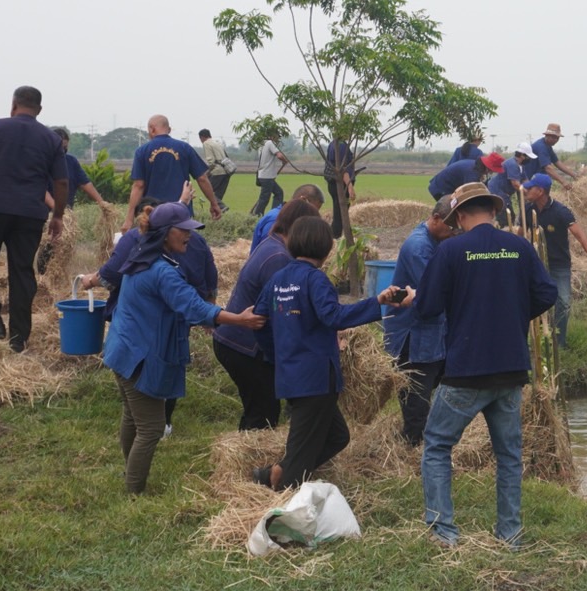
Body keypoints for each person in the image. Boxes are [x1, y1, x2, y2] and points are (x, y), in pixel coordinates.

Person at [409, 182, 557, 548]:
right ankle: (510, 533)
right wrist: (515, 314)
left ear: (459, 215)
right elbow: (547, 293)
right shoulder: (520, 247)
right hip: (510, 370)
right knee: (508, 455)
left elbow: (426, 307)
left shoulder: (451, 251)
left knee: (438, 444)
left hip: (466, 370)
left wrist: (423, 298)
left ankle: (443, 532)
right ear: (493, 211)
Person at [101, 203, 264, 493]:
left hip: (121, 347)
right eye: (184, 230)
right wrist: (238, 319)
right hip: (140, 354)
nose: (191, 235)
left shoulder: (141, 256)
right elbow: (192, 304)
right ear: (165, 233)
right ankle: (134, 490)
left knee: (133, 415)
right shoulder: (162, 271)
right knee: (151, 427)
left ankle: (130, 474)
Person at [251, 217, 410, 490]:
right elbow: (334, 316)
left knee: (337, 436)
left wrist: (277, 354)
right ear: (326, 249)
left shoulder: (278, 279)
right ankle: (284, 502)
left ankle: (276, 473)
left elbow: (259, 321)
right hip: (315, 378)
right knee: (301, 449)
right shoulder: (315, 279)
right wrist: (378, 302)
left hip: (290, 374)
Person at [0, 86, 69, 353]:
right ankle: (19, 337)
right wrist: (57, 216)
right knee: (21, 271)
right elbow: (62, 181)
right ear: (39, 110)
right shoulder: (50, 138)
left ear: (13, 105)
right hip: (30, 213)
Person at [213, 200, 321, 431]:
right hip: (244, 346)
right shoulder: (279, 258)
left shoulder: (271, 245)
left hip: (233, 340)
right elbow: (284, 310)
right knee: (263, 413)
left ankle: (243, 454)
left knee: (259, 407)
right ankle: (248, 461)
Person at [384, 196, 457, 445]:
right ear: (435, 219)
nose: (452, 233)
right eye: (450, 228)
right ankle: (412, 446)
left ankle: (422, 438)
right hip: (412, 333)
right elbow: (436, 292)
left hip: (431, 330)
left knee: (434, 384)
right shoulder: (419, 248)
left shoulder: (435, 240)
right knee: (417, 393)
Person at [522, 173, 587, 347]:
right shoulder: (528, 211)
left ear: (540, 191)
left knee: (564, 302)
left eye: (530, 188)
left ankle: (559, 341)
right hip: (537, 265)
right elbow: (519, 235)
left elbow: (581, 237)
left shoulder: (561, 212)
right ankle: (538, 340)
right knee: (535, 300)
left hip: (559, 264)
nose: (526, 190)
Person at [127, 115, 221, 226]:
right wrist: (214, 203)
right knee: (180, 241)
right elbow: (202, 178)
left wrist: (129, 218)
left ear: (152, 129)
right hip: (181, 211)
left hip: (151, 212)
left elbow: (139, 185)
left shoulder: (141, 151)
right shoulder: (185, 148)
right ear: (169, 130)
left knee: (154, 242)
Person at [48, 127, 108, 210]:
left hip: (66, 212)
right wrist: (57, 210)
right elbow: (41, 190)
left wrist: (102, 203)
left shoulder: (71, 161)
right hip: (46, 213)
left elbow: (85, 183)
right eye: (60, 148)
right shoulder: (42, 162)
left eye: (65, 148)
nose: (62, 151)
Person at [251, 183, 326, 250]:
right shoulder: (275, 220)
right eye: (312, 210)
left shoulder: (288, 218)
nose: (312, 215)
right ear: (303, 200)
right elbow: (269, 253)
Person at [427, 152, 502, 201]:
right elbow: (470, 194)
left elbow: (483, 188)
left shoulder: (477, 168)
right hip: (441, 189)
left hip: (447, 188)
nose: (492, 172)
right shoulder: (472, 173)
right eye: (492, 170)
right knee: (452, 212)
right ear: (487, 167)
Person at [251, 128, 291, 216]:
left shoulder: (261, 145)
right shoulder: (269, 143)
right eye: (277, 136)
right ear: (272, 136)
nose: (278, 139)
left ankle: (274, 213)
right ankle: (258, 216)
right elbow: (279, 155)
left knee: (279, 193)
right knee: (264, 198)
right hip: (267, 176)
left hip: (264, 175)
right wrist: (285, 161)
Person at [323, 136, 357, 239]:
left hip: (334, 183)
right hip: (341, 184)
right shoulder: (341, 146)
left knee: (339, 211)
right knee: (340, 212)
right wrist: (350, 186)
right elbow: (342, 169)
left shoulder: (333, 144)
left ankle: (342, 234)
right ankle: (335, 236)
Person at [199, 129, 235, 212]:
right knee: (218, 196)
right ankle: (217, 212)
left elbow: (210, 162)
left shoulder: (206, 143)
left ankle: (222, 207)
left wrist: (207, 173)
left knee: (208, 191)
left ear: (202, 137)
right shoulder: (218, 143)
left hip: (217, 171)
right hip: (226, 171)